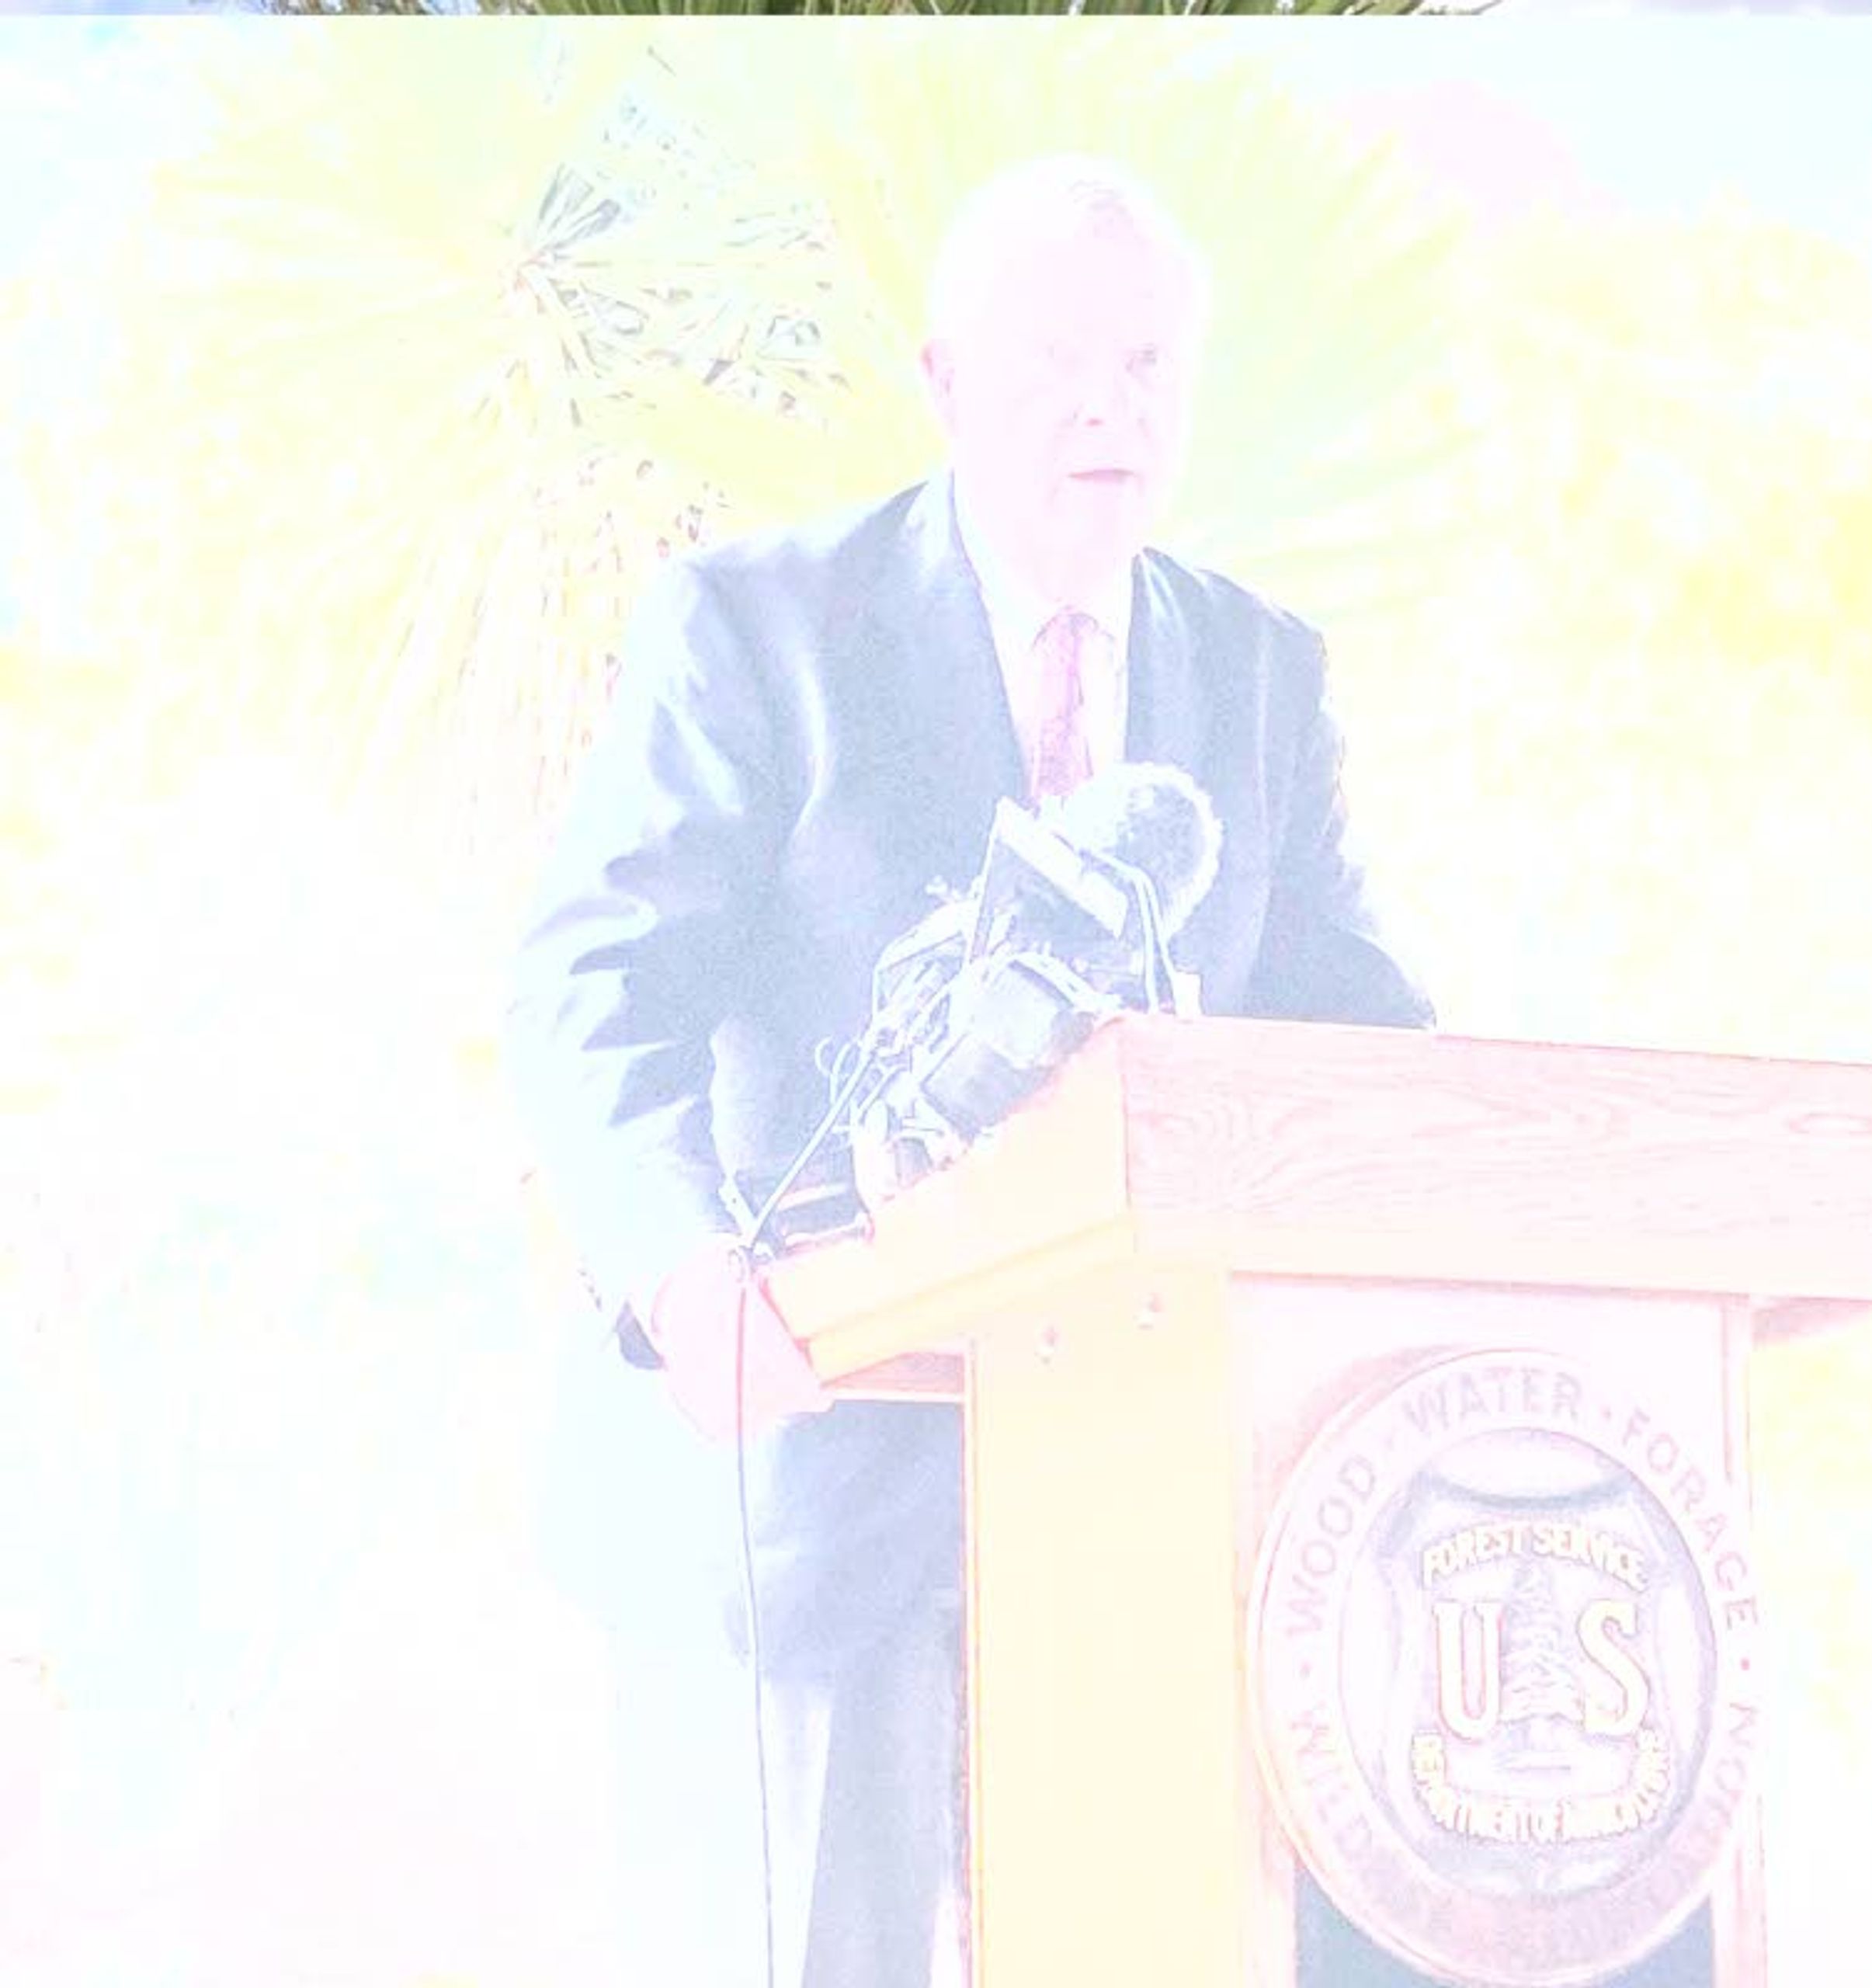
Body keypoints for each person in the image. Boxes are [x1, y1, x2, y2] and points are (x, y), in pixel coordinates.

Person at [504, 155, 1431, 1988]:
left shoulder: (1258, 671)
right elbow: (588, 984)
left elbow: (1354, 1032)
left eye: (1151, 366)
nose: (1113, 409)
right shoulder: (764, 630)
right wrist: (692, 1276)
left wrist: (1491, 1189)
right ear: (943, 384)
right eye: (1060, 363)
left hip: (1149, 1495)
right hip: (809, 1477)